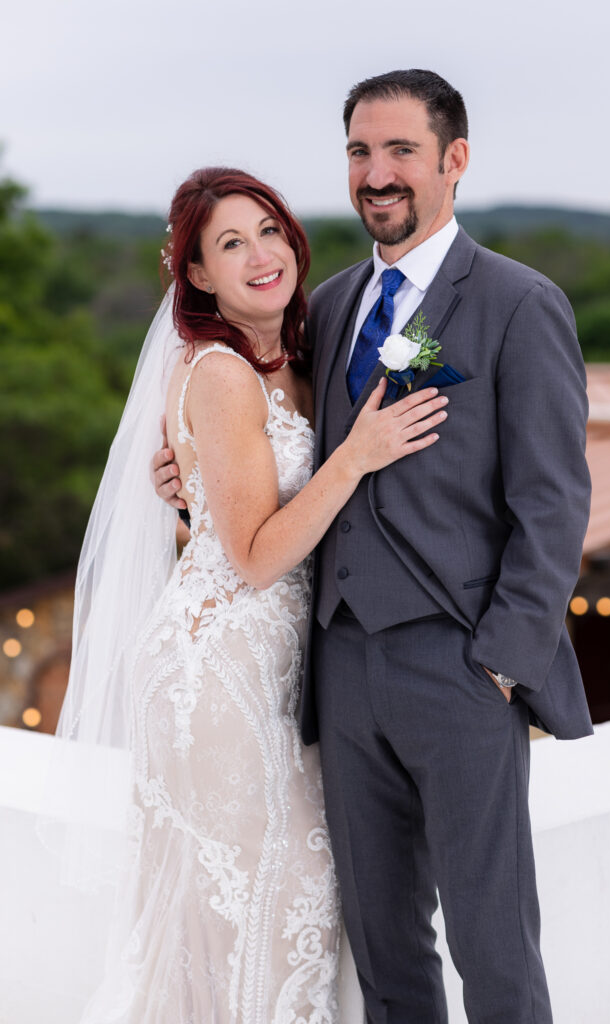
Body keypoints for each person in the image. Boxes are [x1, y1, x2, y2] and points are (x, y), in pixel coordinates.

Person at [155, 71, 593, 1023]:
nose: (377, 173)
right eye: (360, 151)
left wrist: (501, 667)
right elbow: (273, 456)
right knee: (385, 949)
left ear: (454, 160)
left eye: (400, 150)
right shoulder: (333, 305)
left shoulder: (519, 304)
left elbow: (554, 505)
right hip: (338, 672)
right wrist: (187, 477)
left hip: (461, 669)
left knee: (494, 948)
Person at [58, 167, 446, 1024]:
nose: (262, 254)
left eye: (269, 229)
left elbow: (232, 518)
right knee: (270, 912)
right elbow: (259, 557)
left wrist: (193, 494)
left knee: (267, 914)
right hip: (220, 677)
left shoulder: (295, 357)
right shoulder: (224, 374)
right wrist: (359, 453)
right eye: (230, 243)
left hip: (277, 671)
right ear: (196, 275)